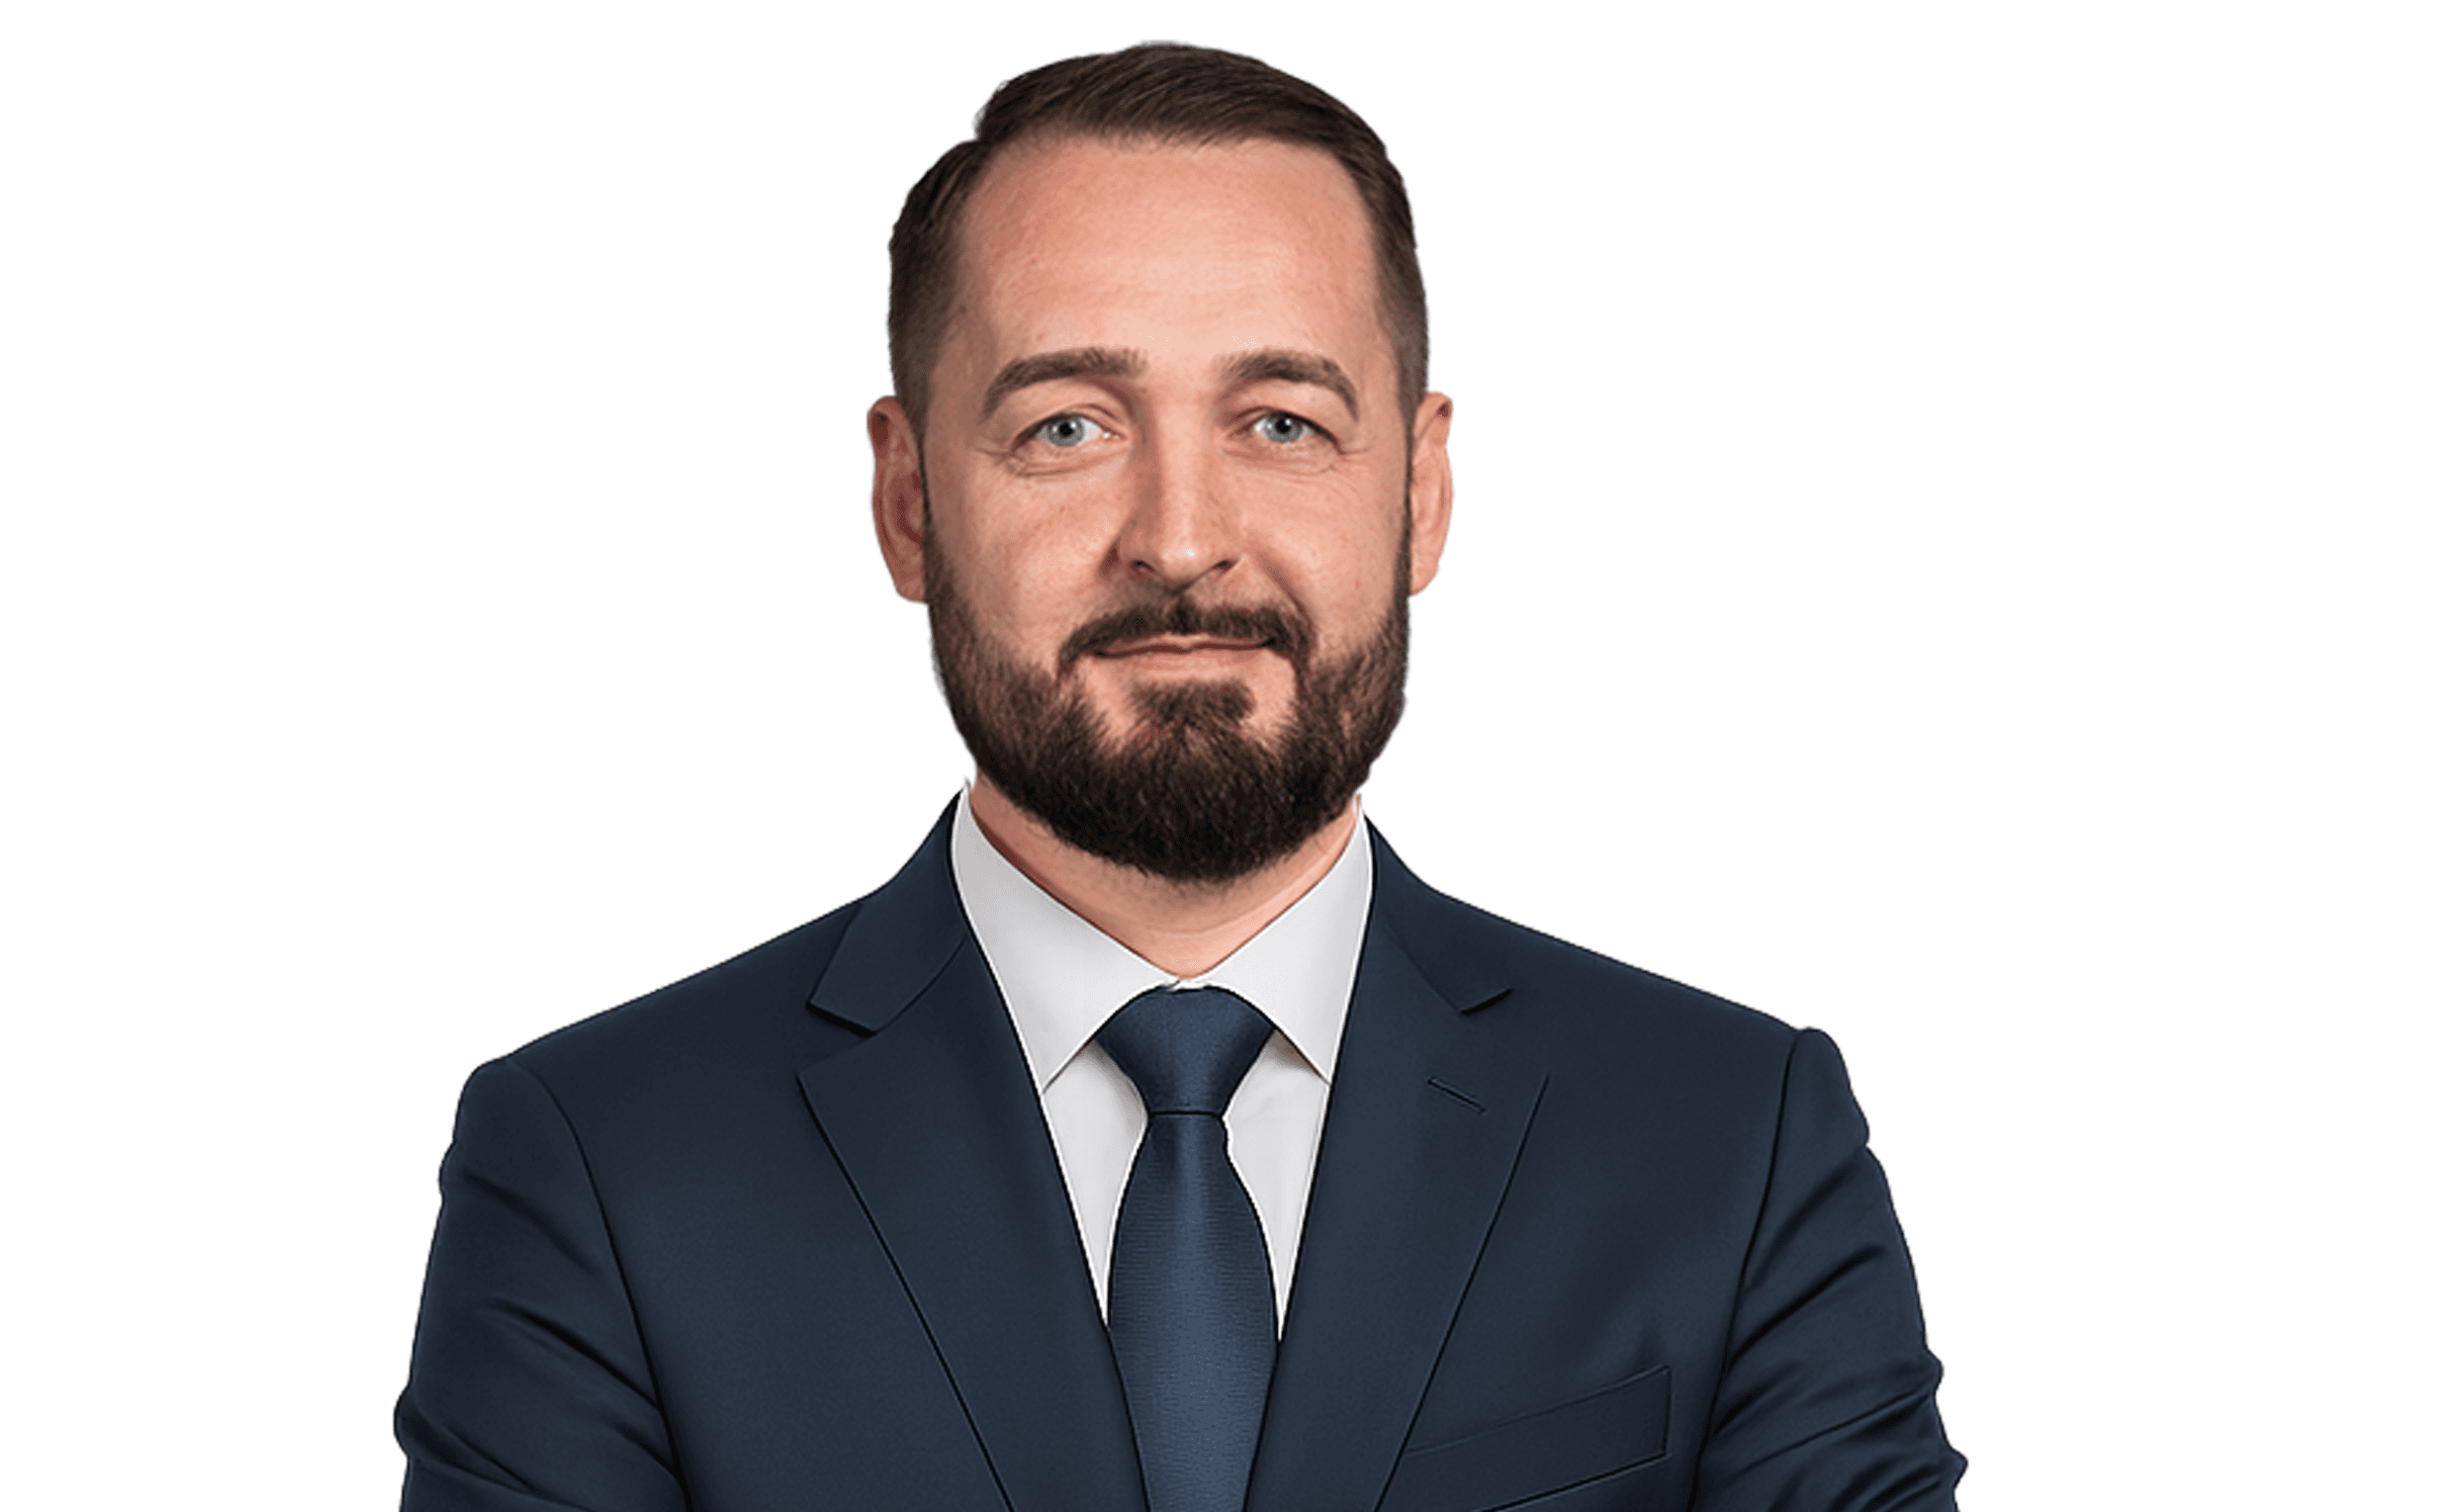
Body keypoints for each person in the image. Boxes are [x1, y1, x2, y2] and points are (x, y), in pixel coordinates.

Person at [396, 43, 1964, 1512]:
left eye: (1282, 421)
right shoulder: (605, 1169)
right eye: (1068, 425)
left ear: (1421, 492)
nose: (1181, 539)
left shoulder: (1734, 1144)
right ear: (909, 500)